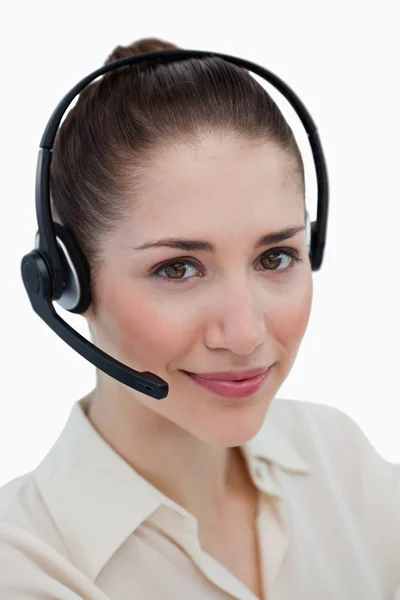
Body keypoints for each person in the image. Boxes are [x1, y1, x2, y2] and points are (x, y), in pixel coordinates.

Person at [0, 37, 399, 600]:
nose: (244, 335)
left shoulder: (338, 458)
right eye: (178, 269)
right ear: (64, 281)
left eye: (276, 257)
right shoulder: (27, 566)